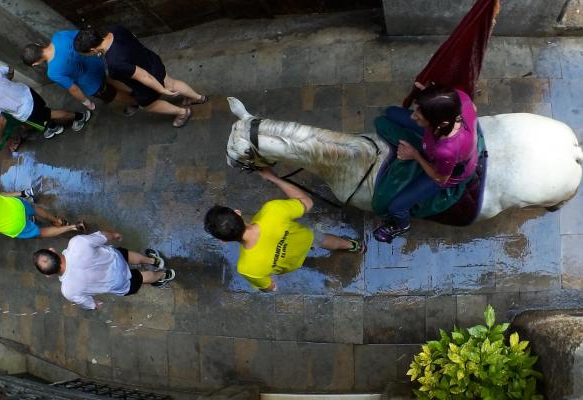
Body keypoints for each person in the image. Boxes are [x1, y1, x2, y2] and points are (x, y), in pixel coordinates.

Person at [203, 167, 365, 292]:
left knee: (306, 256)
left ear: (223, 241)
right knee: (324, 239)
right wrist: (273, 177)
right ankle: (355, 246)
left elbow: (270, 287)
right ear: (237, 212)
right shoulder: (272, 211)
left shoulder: (247, 268)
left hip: (292, 263)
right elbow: (307, 202)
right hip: (305, 238)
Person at [373, 83, 479, 243]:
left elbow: (440, 178)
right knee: (391, 112)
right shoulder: (460, 99)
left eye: (419, 116)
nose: (413, 116)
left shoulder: (446, 151)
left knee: (396, 207)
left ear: (441, 123)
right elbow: (474, 108)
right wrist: (430, 99)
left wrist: (415, 155)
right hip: (433, 133)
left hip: (444, 173)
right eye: (417, 110)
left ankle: (401, 226)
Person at [74, 26, 207, 128]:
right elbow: (133, 37)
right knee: (171, 83)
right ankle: (199, 98)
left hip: (147, 81)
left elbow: (144, 76)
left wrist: (161, 90)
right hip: (151, 61)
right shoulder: (115, 28)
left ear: (92, 50)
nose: (86, 56)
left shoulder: (114, 62)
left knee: (149, 105)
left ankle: (183, 112)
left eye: (85, 54)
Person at [32, 230, 175, 310]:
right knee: (130, 256)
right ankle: (153, 261)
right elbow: (103, 236)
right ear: (52, 250)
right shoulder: (77, 243)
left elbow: (89, 303)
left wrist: (96, 305)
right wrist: (113, 235)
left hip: (120, 283)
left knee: (143, 277)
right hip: (116, 259)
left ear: (48, 276)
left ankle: (163, 275)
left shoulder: (68, 291)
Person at [22, 31, 136, 112]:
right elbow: (81, 36)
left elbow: (73, 89)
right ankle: (133, 91)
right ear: (38, 44)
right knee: (108, 78)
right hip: (96, 63)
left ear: (35, 63)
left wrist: (86, 102)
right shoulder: (58, 36)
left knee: (111, 95)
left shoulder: (53, 72)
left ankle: (135, 103)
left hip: (92, 83)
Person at [0, 65, 91, 146]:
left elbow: (2, 122)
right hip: (28, 92)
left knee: (50, 114)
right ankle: (53, 126)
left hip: (26, 111)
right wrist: (7, 82)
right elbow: (10, 69)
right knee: (45, 113)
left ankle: (80, 116)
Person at [0, 189, 85, 239]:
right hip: (16, 205)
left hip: (15, 226)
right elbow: (1, 195)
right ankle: (57, 220)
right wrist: (21, 193)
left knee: (42, 232)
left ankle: (74, 227)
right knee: (34, 209)